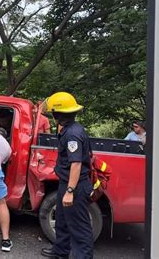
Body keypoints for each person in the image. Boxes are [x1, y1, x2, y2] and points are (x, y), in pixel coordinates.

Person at [41, 92, 93, 259]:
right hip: (67, 183)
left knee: (79, 227)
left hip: (75, 186)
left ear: (58, 114)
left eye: (53, 113)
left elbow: (76, 164)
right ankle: (61, 251)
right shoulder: (68, 128)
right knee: (62, 221)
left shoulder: (72, 134)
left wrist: (70, 191)